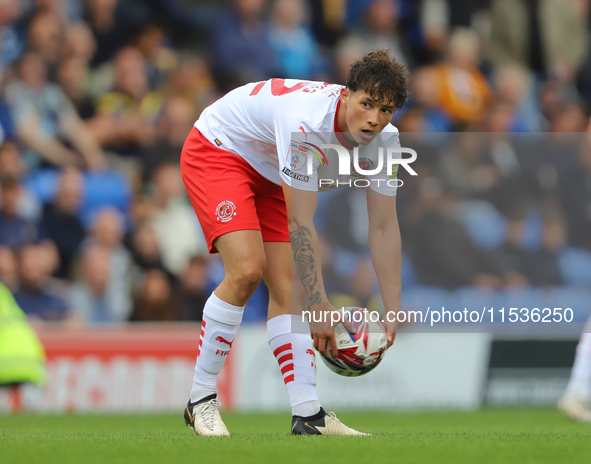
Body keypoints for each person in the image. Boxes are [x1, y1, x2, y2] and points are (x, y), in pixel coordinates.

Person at [180, 50, 407, 436]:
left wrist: (393, 309)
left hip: (270, 170)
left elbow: (384, 226)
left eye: (386, 110)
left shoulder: (387, 142)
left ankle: (309, 416)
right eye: (366, 104)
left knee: (291, 290)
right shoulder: (305, 121)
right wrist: (321, 304)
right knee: (248, 270)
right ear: (345, 96)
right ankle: (200, 399)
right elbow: (300, 222)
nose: (374, 119)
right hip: (221, 148)